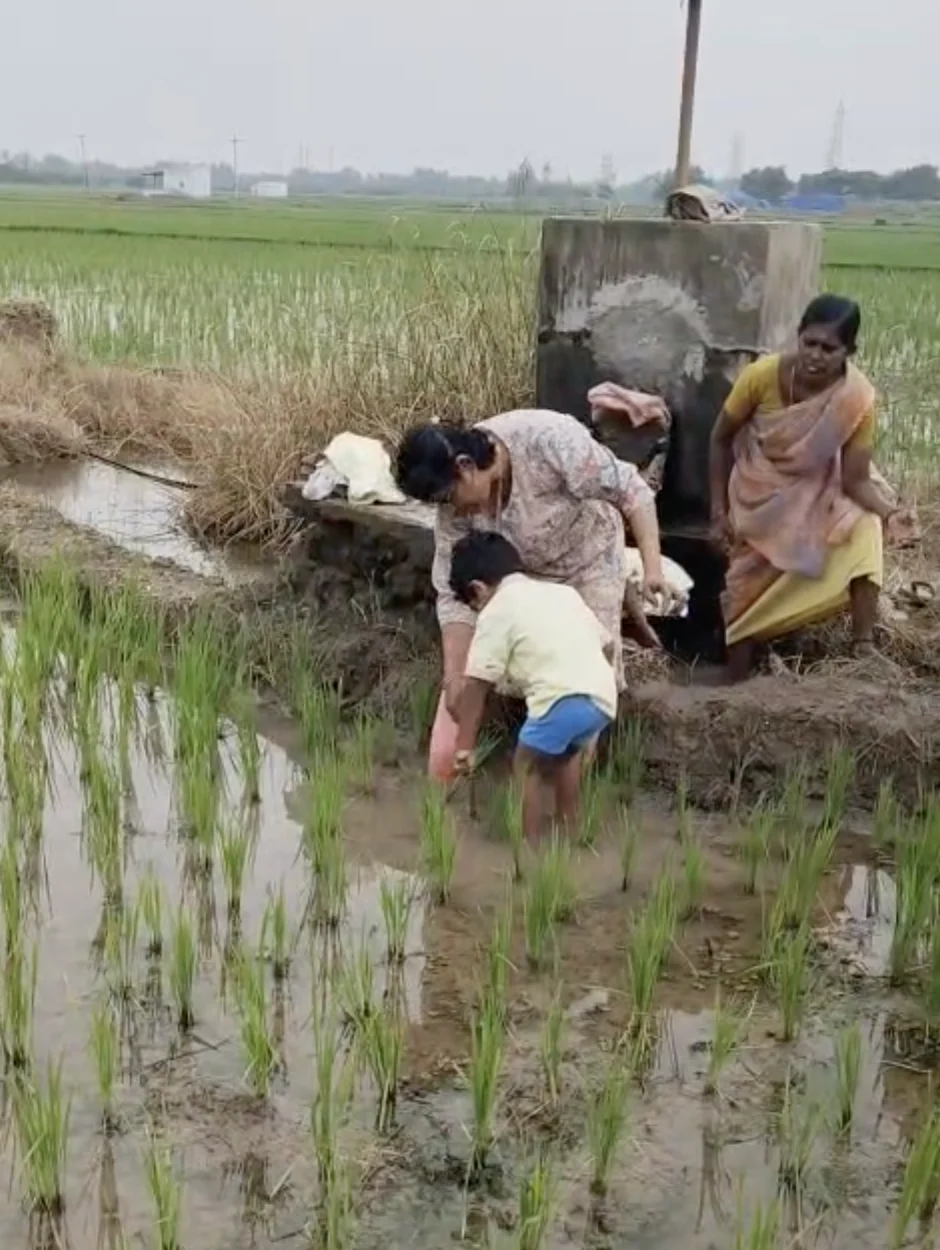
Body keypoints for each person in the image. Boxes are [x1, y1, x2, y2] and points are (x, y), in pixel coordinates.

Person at [394, 408, 665, 780]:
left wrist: (652, 570)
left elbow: (633, 491)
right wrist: (455, 677)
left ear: (465, 464)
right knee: (506, 662)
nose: (450, 509)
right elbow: (452, 593)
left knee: (584, 675)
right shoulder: (454, 515)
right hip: (515, 576)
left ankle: (571, 786)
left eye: (448, 496)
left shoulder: (548, 440)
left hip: (586, 560)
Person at [709, 294, 908, 682]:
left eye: (828, 348)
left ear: (849, 351)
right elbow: (719, 439)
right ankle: (734, 675)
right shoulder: (760, 376)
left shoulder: (857, 398)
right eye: (809, 343)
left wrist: (891, 513)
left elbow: (855, 480)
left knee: (865, 527)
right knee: (741, 603)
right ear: (798, 338)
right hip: (758, 494)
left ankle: (863, 646)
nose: (815, 355)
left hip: (820, 491)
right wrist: (717, 513)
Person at [449, 531, 616, 840]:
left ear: (478, 590)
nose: (478, 614)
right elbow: (606, 646)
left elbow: (476, 685)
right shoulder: (562, 594)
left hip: (560, 700)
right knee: (567, 757)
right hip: (602, 697)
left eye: (474, 607)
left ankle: (526, 847)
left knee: (525, 765)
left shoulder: (498, 609)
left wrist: (463, 746)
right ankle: (570, 831)